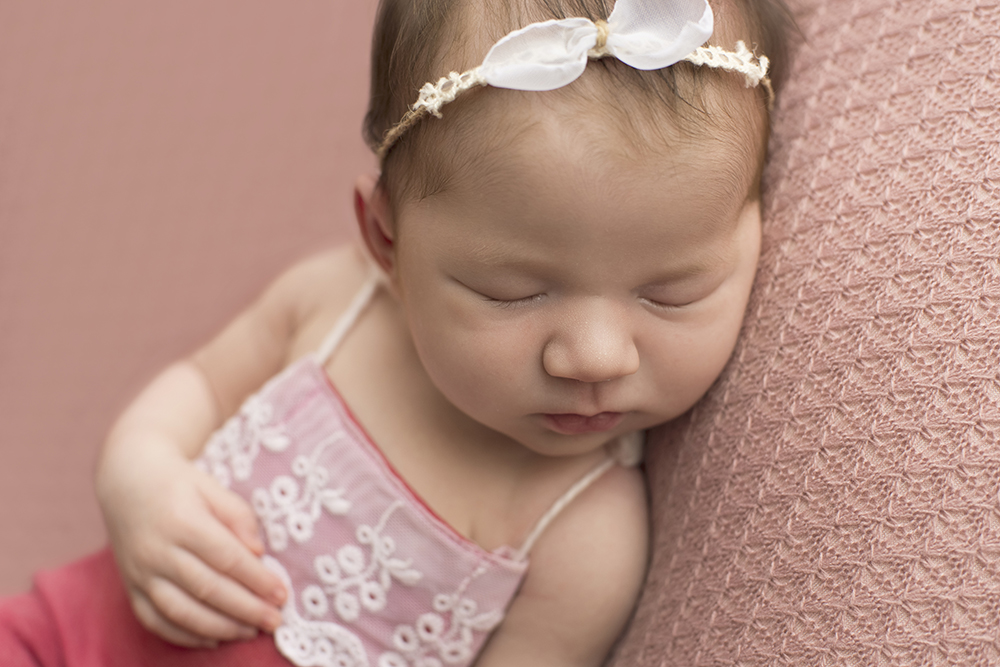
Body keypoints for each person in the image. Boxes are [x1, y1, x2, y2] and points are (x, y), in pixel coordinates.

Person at [0, 0, 794, 665]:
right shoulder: (335, 302)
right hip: (56, 638)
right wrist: (137, 477)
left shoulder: (583, 537)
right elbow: (200, 383)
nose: (593, 356)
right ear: (386, 242)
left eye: (670, 293)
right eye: (512, 292)